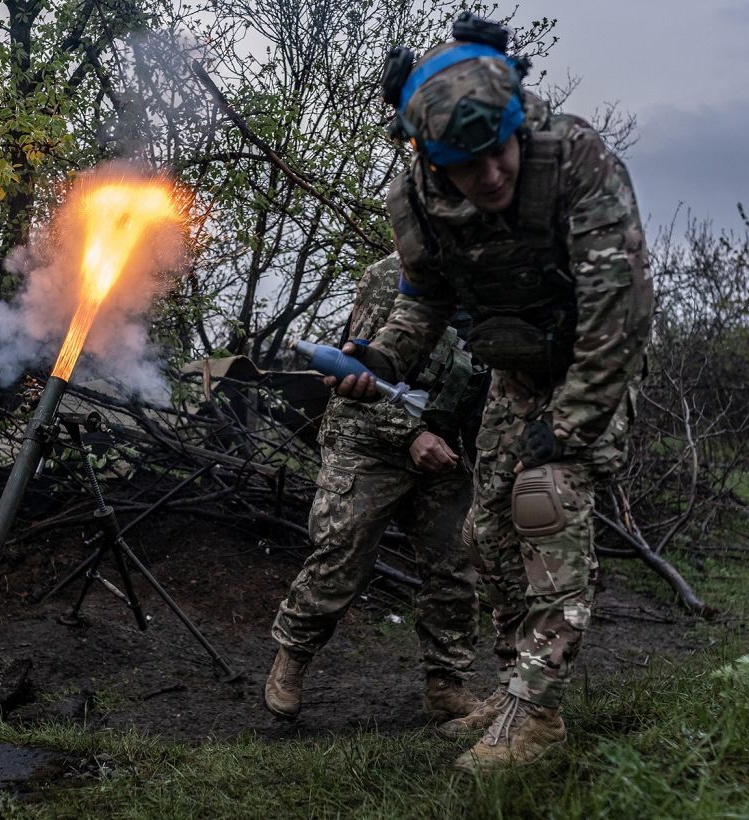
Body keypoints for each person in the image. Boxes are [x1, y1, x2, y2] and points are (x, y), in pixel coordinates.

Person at [330, 14, 654, 771]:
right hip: (515, 370)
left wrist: (569, 427)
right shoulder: (416, 202)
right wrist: (379, 359)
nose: (492, 176)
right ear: (432, 160)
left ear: (516, 123)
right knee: (487, 533)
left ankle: (537, 717)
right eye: (466, 165)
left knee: (545, 500)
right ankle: (515, 688)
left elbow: (622, 307)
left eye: (498, 152)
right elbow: (424, 301)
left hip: (592, 361)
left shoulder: (574, 159)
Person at [265, 253, 487, 725]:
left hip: (442, 446)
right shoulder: (394, 276)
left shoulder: (498, 286)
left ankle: (446, 686)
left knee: (456, 564)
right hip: (367, 439)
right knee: (341, 554)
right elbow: (361, 372)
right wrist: (410, 436)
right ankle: (292, 658)